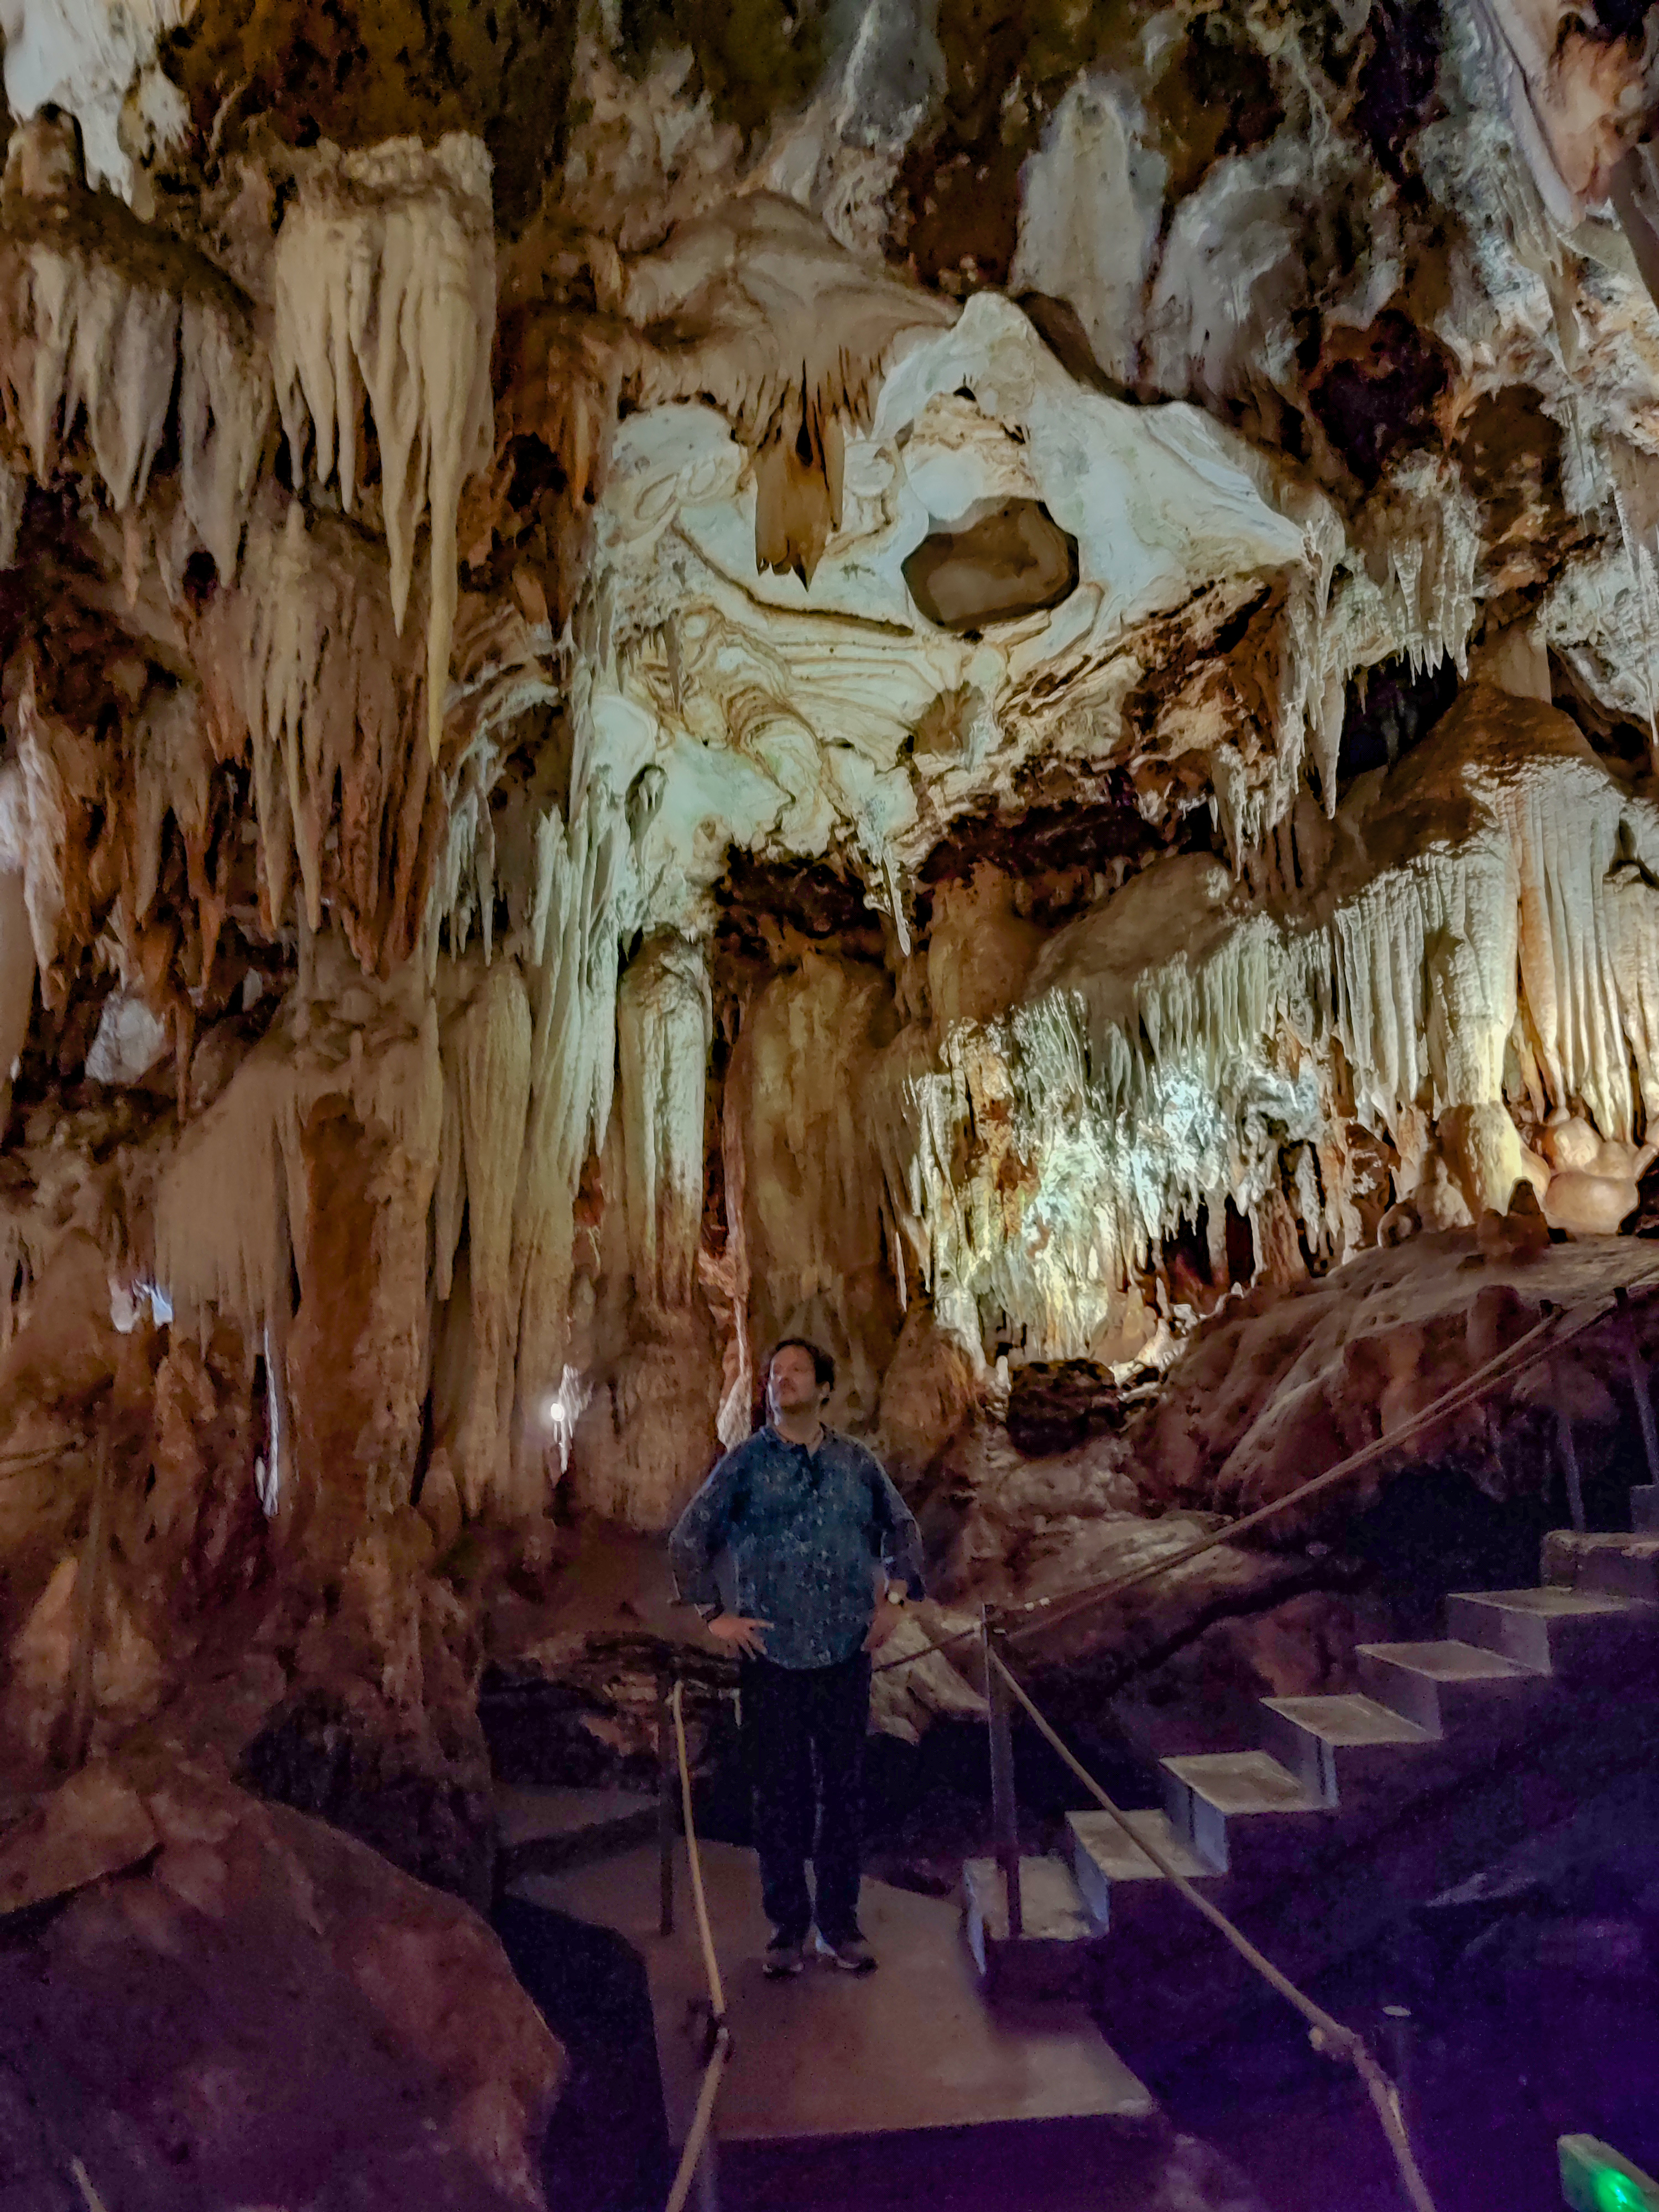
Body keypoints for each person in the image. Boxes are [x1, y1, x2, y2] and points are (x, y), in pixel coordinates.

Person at [667, 1337, 926, 1978]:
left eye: (796, 1371)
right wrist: (713, 1614)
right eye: (774, 1373)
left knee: (842, 1795)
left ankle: (841, 1925)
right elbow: (688, 1538)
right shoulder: (747, 1463)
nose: (781, 1380)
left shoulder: (856, 1464)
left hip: (843, 1650)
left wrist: (895, 1597)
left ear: (826, 1388)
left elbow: (904, 1529)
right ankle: (787, 1929)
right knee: (778, 1797)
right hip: (772, 1657)